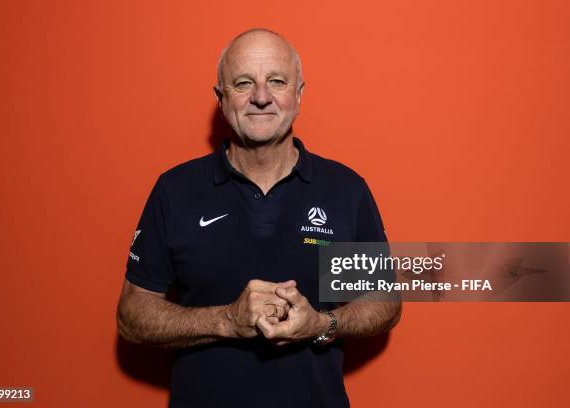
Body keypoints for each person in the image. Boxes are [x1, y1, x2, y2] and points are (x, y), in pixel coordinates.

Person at [116, 28, 401, 407]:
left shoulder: (345, 189)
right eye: (243, 83)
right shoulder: (175, 190)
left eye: (277, 81)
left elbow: (384, 302)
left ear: (298, 95)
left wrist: (322, 324)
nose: (262, 97)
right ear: (221, 98)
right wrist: (226, 321)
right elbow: (132, 316)